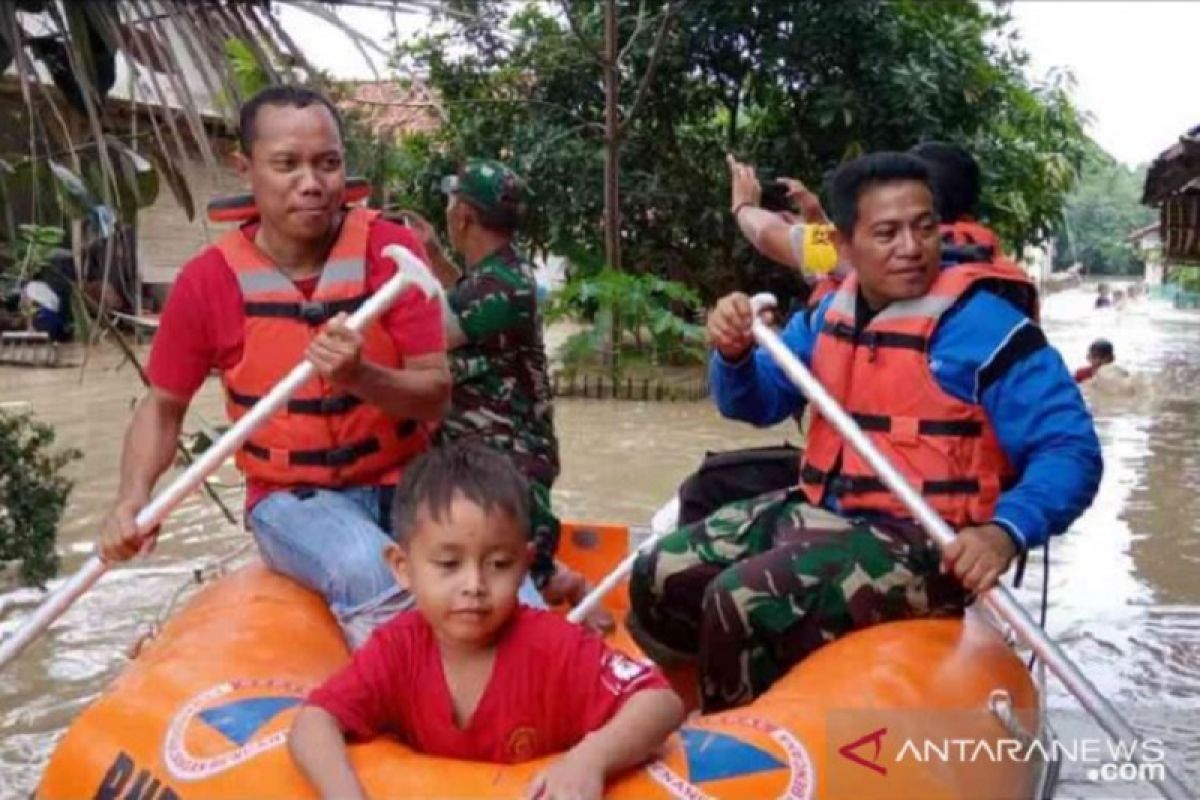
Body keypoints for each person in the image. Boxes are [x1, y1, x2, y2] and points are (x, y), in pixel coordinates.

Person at [629, 152, 1103, 713]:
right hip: (823, 513)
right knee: (659, 571)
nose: (912, 247)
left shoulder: (990, 330)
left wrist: (1004, 533)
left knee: (743, 599)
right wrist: (732, 356)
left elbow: (1070, 450)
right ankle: (681, 713)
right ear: (845, 244)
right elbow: (755, 402)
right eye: (887, 233)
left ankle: (738, 744)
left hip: (929, 543)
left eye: (924, 228)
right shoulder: (829, 314)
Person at [97, 85, 451, 648]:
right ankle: (417, 703)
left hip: (408, 480)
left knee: (499, 588)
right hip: (292, 501)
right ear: (245, 168)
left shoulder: (389, 252)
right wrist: (132, 499)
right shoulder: (208, 282)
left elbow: (435, 394)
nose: (312, 183)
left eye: (328, 163)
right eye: (287, 164)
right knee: (366, 565)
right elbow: (164, 407)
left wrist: (364, 377)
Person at [289, 443, 684, 800]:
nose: (474, 585)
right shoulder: (397, 650)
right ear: (402, 568)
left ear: (526, 566)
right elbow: (314, 721)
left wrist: (590, 759)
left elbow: (661, 702)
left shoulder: (554, 646)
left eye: (498, 564)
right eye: (448, 564)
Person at [400, 162, 609, 629]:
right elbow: (464, 299)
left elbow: (427, 334)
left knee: (504, 577)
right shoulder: (496, 277)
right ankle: (572, 589)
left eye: (453, 202)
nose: (448, 211)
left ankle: (568, 608)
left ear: (464, 217)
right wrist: (432, 254)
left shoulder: (503, 286)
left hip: (507, 457)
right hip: (492, 452)